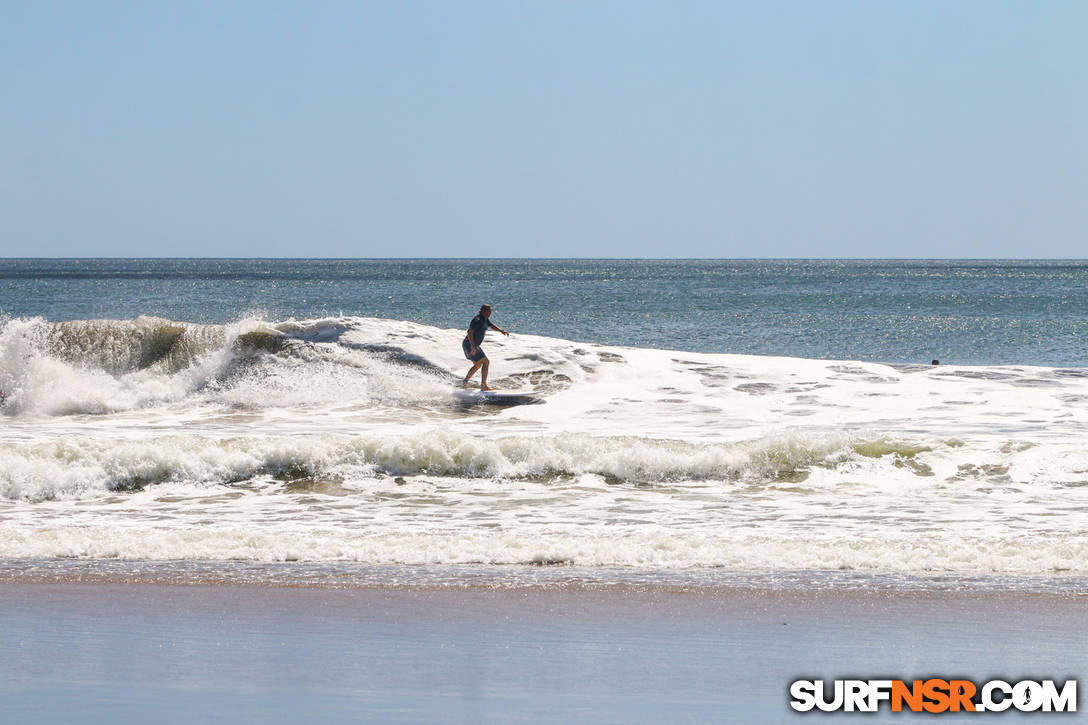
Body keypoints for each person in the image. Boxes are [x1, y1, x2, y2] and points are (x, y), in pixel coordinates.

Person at [462, 304, 509, 390]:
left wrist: (501, 331)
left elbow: (491, 326)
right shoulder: (478, 319)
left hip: (470, 344)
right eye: (488, 310)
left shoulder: (485, 319)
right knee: (486, 362)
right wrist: (472, 346)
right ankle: (483, 386)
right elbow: (469, 331)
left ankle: (465, 382)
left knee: (477, 365)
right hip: (469, 344)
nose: (490, 312)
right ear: (483, 311)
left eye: (490, 311)